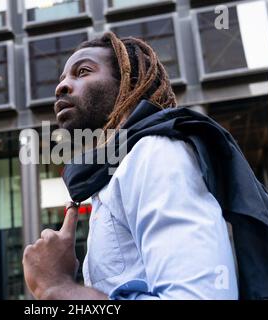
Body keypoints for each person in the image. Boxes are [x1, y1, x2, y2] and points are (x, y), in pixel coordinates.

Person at [22, 32, 239, 300]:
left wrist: (58, 288)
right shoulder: (113, 173)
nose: (62, 86)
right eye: (62, 79)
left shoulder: (154, 153)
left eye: (83, 72)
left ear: (129, 81)